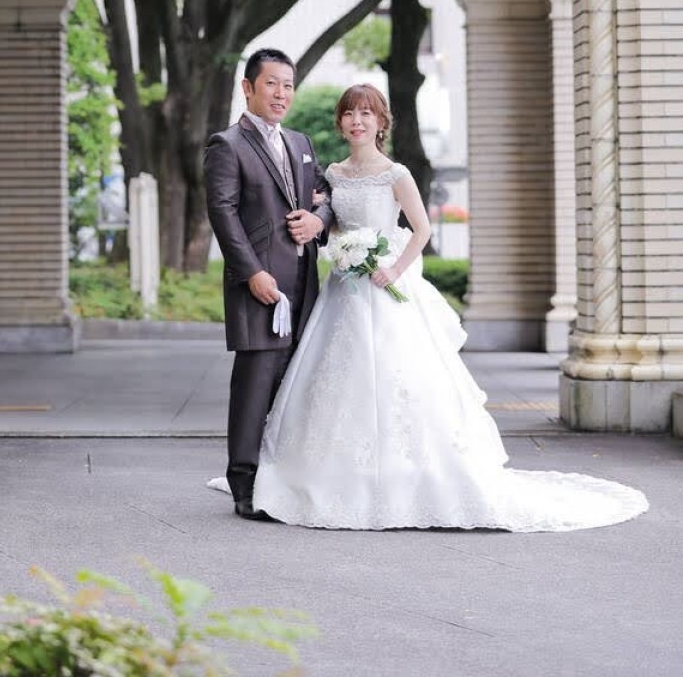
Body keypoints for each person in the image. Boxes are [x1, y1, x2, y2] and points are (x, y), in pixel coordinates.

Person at [249, 83, 648, 531]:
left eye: (366, 113)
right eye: (349, 114)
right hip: (344, 288)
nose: (356, 121)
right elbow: (331, 223)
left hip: (385, 288)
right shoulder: (334, 175)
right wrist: (340, 244)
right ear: (341, 122)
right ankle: (329, 475)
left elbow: (420, 230)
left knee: (400, 377)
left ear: (381, 123)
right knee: (335, 377)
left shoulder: (395, 173)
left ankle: (409, 475)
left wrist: (393, 270)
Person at [204, 48, 333, 520]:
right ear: (249, 88)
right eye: (272, 84)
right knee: (255, 382)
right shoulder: (228, 145)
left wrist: (317, 221)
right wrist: (251, 272)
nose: (282, 94)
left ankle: (281, 479)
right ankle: (244, 485)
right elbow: (223, 213)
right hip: (259, 285)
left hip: (304, 284)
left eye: (288, 85)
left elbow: (326, 195)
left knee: (292, 384)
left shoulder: (300, 142)